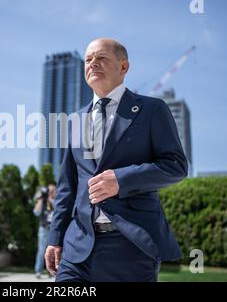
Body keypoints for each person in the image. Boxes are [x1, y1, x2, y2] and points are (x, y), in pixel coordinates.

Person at [44, 38, 188, 282]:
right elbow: (67, 186)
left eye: (101, 58)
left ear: (124, 67)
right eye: (88, 60)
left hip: (130, 247)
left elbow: (176, 165)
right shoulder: (76, 120)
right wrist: (55, 238)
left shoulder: (152, 109)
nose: (93, 64)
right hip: (77, 249)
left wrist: (121, 180)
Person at [33, 183, 56, 278]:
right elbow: (36, 212)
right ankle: (38, 271)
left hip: (54, 228)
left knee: (54, 250)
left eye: (53, 190)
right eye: (49, 190)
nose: (51, 192)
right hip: (43, 228)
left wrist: (50, 198)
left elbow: (58, 208)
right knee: (41, 250)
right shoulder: (42, 200)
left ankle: (51, 271)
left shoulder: (57, 200)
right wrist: (41, 199)